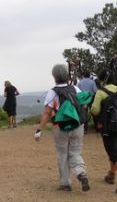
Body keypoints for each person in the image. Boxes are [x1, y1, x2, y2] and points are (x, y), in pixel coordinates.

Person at [34, 64, 90, 192]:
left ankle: (65, 183)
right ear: (67, 75)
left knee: (62, 154)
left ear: (54, 77)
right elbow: (84, 106)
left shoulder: (52, 92)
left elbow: (47, 113)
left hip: (60, 128)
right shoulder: (75, 88)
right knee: (75, 152)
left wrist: (39, 130)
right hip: (77, 125)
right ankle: (81, 173)